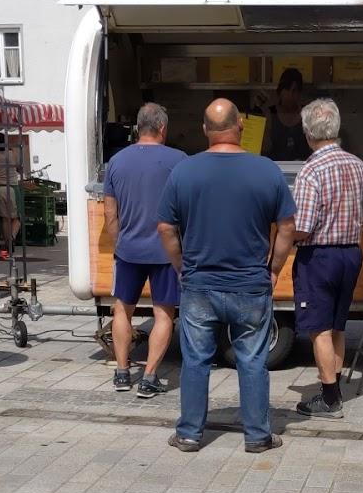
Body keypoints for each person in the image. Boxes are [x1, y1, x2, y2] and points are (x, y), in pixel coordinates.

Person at [158, 99, 295, 453]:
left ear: (205, 130)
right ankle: (257, 436)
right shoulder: (266, 171)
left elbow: (165, 228)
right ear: (241, 127)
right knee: (251, 360)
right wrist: (275, 269)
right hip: (250, 284)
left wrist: (181, 266)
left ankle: (189, 433)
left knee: (196, 360)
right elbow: (287, 227)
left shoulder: (184, 172)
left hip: (199, 283)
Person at [291, 99, 363, 419]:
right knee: (337, 325)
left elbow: (303, 226)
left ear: (308, 132)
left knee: (319, 328)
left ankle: (329, 399)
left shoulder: (310, 171)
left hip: (319, 256)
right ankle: (334, 387)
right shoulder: (358, 165)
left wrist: (283, 238)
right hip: (351, 254)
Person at [104, 103, 186, 396]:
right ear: (162, 128)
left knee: (122, 310)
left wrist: (120, 244)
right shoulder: (179, 160)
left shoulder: (117, 161)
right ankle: (150, 377)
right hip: (166, 252)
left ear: (138, 128)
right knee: (164, 314)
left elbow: (110, 214)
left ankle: (122, 373)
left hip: (128, 250)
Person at [263, 68, 311, 161]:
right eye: (287, 90)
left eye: (294, 91)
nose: (290, 95)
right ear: (280, 91)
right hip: (276, 168)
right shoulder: (270, 114)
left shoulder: (307, 114)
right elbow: (264, 149)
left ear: (299, 92)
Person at [0, 133, 21, 258]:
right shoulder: (11, 153)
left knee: (4, 218)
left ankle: (6, 242)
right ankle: (11, 238)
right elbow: (17, 165)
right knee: (17, 218)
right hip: (12, 188)